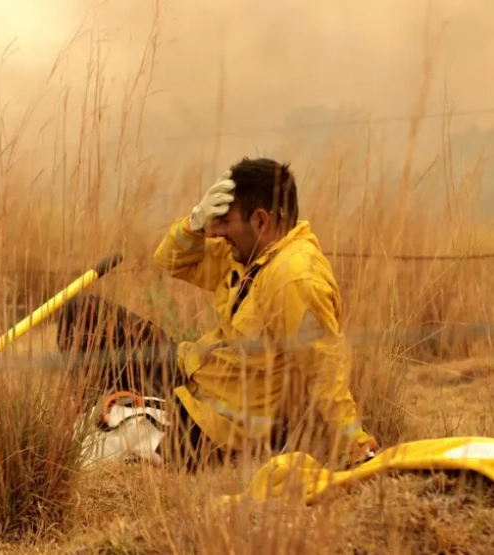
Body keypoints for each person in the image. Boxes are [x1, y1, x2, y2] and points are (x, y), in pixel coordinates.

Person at [56, 157, 379, 471]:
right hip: (192, 373)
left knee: (94, 445)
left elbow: (324, 370)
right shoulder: (247, 252)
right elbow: (171, 261)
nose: (217, 231)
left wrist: (356, 445)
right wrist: (195, 222)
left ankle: (120, 420)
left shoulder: (296, 277)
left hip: (222, 424)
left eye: (225, 221)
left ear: (261, 220)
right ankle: (105, 410)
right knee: (82, 314)